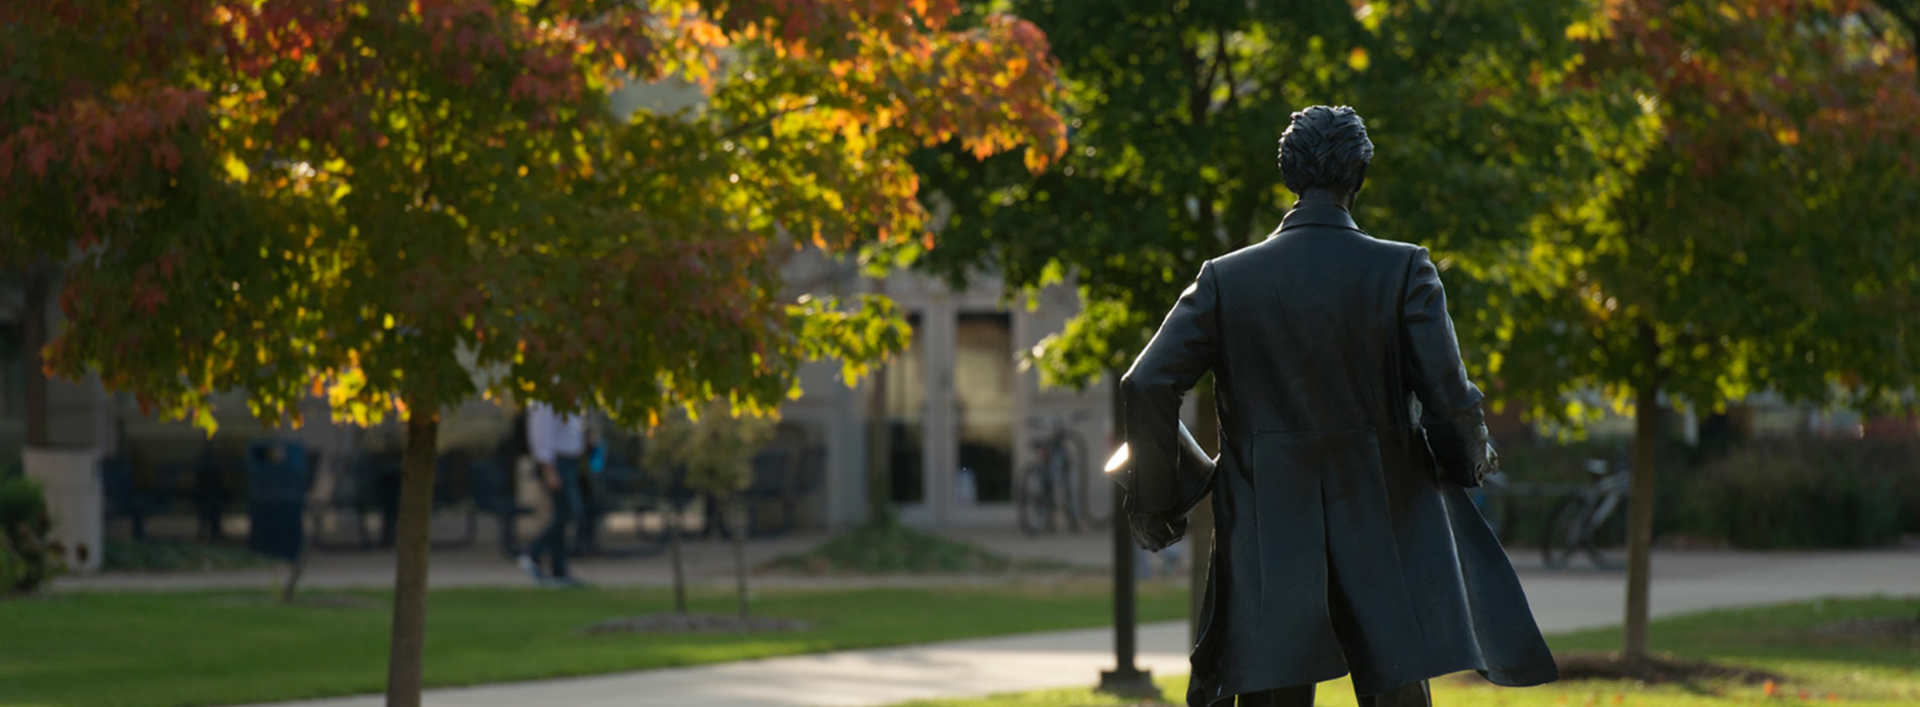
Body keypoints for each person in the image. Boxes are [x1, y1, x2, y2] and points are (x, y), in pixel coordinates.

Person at [1117, 106, 1558, 707]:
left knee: (1272, 693)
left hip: (1267, 525)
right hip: (1387, 516)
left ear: (1289, 176)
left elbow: (1146, 384)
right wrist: (1467, 461)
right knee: (1398, 690)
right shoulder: (1404, 270)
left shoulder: (1225, 279)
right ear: (1359, 179)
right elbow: (1449, 400)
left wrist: (1154, 504)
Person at [518, 401, 586, 587]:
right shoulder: (546, 396)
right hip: (557, 462)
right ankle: (532, 553)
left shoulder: (569, 393)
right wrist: (548, 467)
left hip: (569, 460)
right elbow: (540, 433)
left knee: (563, 514)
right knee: (569, 511)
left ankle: (559, 571)